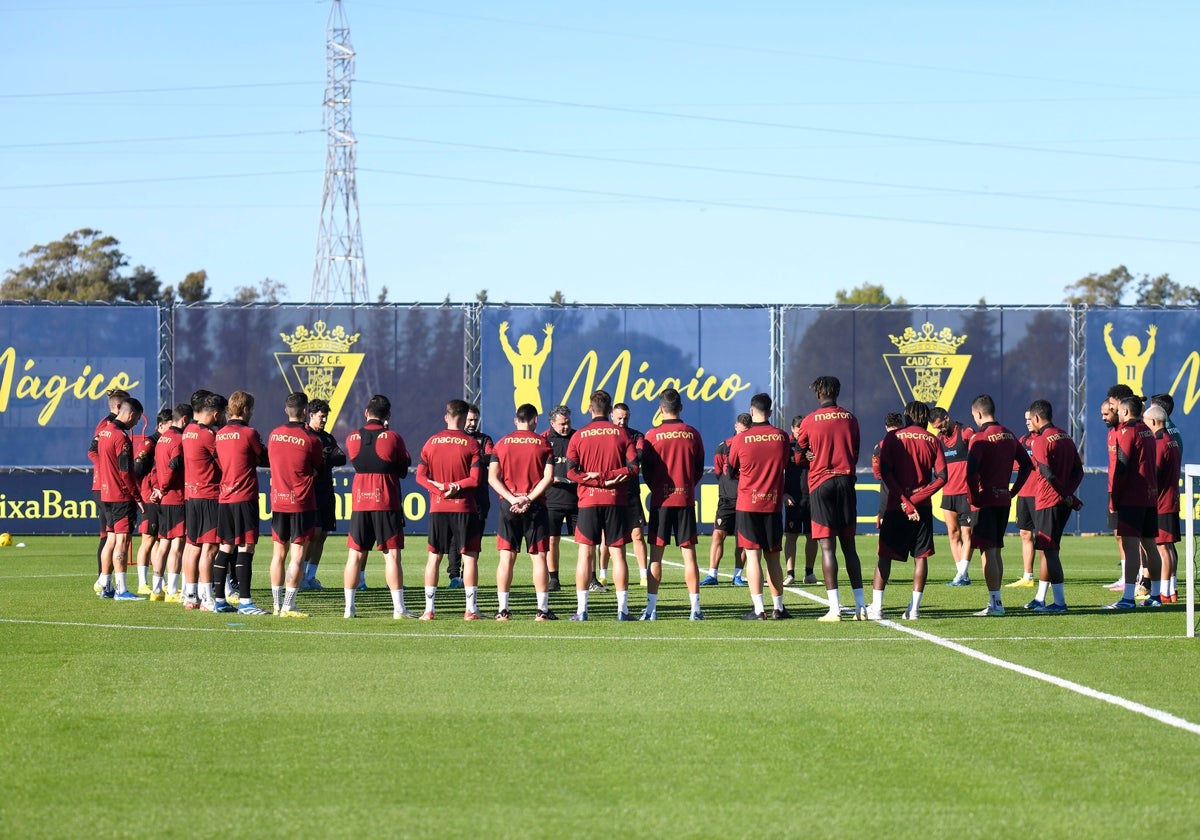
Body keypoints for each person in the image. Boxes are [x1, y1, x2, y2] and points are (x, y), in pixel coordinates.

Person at [867, 401, 946, 620]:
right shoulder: (933, 440)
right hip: (923, 509)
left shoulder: (893, 438)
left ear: (907, 416)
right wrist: (916, 499)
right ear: (926, 418)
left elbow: (886, 473)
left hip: (896, 506)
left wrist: (905, 501)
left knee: (884, 555)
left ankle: (877, 608)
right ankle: (915, 609)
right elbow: (942, 477)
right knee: (921, 557)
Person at [795, 376, 865, 621]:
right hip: (846, 481)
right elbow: (855, 452)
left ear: (818, 394)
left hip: (821, 483)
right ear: (837, 392)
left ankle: (834, 609)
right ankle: (861, 607)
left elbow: (797, 455)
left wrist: (809, 455)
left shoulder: (809, 420)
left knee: (827, 547)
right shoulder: (851, 418)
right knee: (850, 548)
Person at [565, 389, 638, 621]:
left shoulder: (579, 436)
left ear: (589, 409)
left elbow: (569, 471)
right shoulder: (622, 434)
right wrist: (609, 476)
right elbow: (634, 468)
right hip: (615, 499)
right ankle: (622, 610)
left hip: (588, 500)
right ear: (609, 411)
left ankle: (582, 610)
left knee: (585, 554)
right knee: (618, 555)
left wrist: (594, 478)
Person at [342, 395, 412, 619]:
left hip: (361, 500)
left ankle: (349, 608)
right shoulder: (392, 437)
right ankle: (399, 609)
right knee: (391, 556)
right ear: (387, 416)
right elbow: (403, 466)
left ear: (366, 413)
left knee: (354, 555)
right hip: (386, 500)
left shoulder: (352, 438)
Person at [639, 388, 706, 620]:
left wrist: (657, 487)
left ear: (660, 409)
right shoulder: (692, 433)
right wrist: (686, 485)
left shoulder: (651, 435)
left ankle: (651, 609)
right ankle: (695, 609)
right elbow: (699, 468)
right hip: (685, 499)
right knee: (690, 556)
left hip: (661, 500)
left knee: (655, 556)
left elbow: (645, 470)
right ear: (681, 408)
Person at [416, 399, 485, 620]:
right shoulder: (472, 444)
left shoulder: (431, 442)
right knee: (470, 557)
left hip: (438, 507)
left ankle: (429, 610)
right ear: (465, 418)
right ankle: (470, 610)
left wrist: (438, 489)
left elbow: (420, 476)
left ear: (446, 416)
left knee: (434, 557)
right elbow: (475, 480)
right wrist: (454, 487)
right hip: (464, 508)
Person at [965, 393, 1032, 617]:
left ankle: (995, 603)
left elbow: (971, 472)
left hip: (986, 501)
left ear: (979, 414)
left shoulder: (980, 437)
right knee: (996, 550)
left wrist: (974, 498)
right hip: (1003, 499)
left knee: (988, 552)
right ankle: (996, 600)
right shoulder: (1009, 435)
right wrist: (1013, 490)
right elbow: (1027, 465)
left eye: (974, 415)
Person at [727, 392, 792, 620]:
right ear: (771, 412)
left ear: (751, 411)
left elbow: (730, 469)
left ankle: (759, 609)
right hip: (772, 505)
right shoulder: (782, 437)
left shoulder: (740, 439)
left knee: (752, 556)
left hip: (747, 503)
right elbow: (785, 463)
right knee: (773, 556)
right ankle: (778, 608)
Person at [488, 403, 556, 620]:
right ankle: (542, 611)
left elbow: (492, 477)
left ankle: (503, 610)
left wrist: (512, 499)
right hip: (534, 505)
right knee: (539, 557)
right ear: (535, 420)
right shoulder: (544, 444)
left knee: (507, 558)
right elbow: (548, 478)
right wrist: (528, 498)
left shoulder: (502, 443)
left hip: (509, 506)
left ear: (516, 420)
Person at [266, 392, 324, 618]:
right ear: (305, 413)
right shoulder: (311, 439)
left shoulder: (273, 435)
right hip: (301, 503)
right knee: (298, 555)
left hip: (279, 501)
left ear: (286, 411)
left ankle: (276, 604)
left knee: (278, 554)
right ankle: (289, 605)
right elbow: (317, 466)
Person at [1022, 399, 1083, 614]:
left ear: (1037, 418)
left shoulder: (1040, 440)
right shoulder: (1065, 436)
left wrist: (1066, 495)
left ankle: (1059, 602)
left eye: (1031, 419)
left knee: (1050, 551)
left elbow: (1047, 473)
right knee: (1048, 550)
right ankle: (1041, 598)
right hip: (1061, 501)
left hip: (1048, 501)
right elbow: (1079, 470)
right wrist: (1069, 495)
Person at [1104, 395, 1161, 609]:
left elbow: (1123, 465)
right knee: (1150, 545)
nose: (1117, 413)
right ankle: (1156, 595)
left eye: (1118, 410)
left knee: (1131, 547)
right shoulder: (1147, 431)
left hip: (1132, 497)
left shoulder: (1129, 431)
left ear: (1126, 412)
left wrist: (1114, 498)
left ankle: (1128, 598)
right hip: (1149, 496)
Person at [215, 390, 267, 614]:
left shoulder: (220, 434)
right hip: (244, 496)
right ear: (245, 410)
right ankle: (245, 601)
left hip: (225, 496)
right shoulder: (249, 433)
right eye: (251, 409)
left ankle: (219, 600)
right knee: (246, 547)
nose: (252, 413)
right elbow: (264, 458)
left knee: (225, 547)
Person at [92, 396, 146, 601]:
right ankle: (122, 589)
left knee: (111, 539)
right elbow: (126, 472)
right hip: (120, 495)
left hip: (105, 493)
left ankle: (105, 584)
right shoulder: (121, 438)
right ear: (131, 414)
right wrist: (136, 496)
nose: (136, 424)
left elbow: (93, 454)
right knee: (122, 541)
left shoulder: (104, 432)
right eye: (137, 419)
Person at [181, 392, 227, 610]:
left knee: (192, 546)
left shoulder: (188, 431)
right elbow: (224, 461)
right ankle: (207, 597)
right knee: (209, 548)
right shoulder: (209, 435)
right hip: (209, 495)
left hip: (191, 495)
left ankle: (190, 595)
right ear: (216, 414)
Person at [300, 398, 347, 592]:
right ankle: (300, 576)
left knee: (323, 534)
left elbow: (341, 457)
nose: (324, 420)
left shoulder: (327, 438)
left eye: (326, 417)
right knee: (313, 534)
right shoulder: (304, 436)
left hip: (327, 491)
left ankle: (311, 576)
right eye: (321, 417)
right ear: (311, 415)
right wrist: (324, 458)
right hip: (311, 492)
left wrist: (325, 457)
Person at [447, 403, 494, 589]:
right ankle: (453, 575)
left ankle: (468, 574)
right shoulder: (455, 438)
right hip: (458, 496)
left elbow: (492, 456)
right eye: (469, 419)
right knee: (454, 538)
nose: (472, 423)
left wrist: (472, 457)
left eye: (475, 420)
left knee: (474, 539)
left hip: (479, 498)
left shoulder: (484, 439)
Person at [929, 407, 975, 586]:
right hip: (948, 493)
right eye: (936, 428)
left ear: (947, 418)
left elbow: (978, 457)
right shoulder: (939, 441)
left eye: (940, 426)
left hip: (966, 493)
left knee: (967, 533)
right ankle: (962, 575)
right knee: (953, 534)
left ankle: (961, 574)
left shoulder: (966, 433)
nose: (939, 430)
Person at [90, 387, 130, 593]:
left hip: (107, 485)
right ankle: (103, 581)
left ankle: (105, 582)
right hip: (106, 486)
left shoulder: (115, 426)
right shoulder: (107, 426)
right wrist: (107, 471)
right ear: (118, 407)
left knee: (109, 535)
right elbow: (92, 451)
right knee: (110, 536)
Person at [702, 414, 749, 587]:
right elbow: (718, 472)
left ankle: (737, 575)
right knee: (718, 535)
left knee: (742, 539)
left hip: (746, 499)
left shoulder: (751, 445)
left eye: (746, 431)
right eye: (741, 430)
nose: (743, 433)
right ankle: (712, 574)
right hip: (727, 500)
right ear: (736, 426)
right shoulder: (723, 447)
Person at [152, 403, 191, 603]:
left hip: (163, 499)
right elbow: (173, 466)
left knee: (162, 544)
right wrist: (164, 488)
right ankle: (173, 590)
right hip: (175, 497)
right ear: (184, 419)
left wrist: (157, 489)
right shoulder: (178, 439)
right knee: (178, 546)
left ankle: (157, 589)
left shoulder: (162, 439)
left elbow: (158, 468)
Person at [1145, 403, 1182, 603]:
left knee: (1162, 548)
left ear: (1153, 421)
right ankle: (1171, 590)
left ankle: (1165, 592)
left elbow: (1155, 472)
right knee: (1168, 547)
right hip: (1171, 499)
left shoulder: (1160, 442)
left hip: (1161, 501)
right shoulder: (1172, 440)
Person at [131, 408, 170, 597]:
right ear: (160, 426)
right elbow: (137, 469)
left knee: (157, 539)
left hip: (160, 496)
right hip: (149, 497)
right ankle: (142, 583)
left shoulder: (164, 442)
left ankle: (159, 581)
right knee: (147, 540)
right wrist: (146, 489)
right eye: (170, 426)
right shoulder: (150, 443)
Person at [611, 403, 649, 588]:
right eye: (619, 418)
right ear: (612, 416)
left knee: (637, 535)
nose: (622, 421)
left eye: (625, 418)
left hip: (632, 493)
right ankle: (602, 574)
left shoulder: (637, 435)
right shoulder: (607, 434)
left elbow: (639, 455)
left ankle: (644, 575)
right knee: (608, 537)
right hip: (610, 492)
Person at [542, 405, 577, 593]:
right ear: (552, 423)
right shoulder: (544, 441)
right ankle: (554, 579)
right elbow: (537, 468)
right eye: (562, 424)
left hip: (577, 498)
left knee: (586, 542)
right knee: (552, 540)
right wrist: (548, 478)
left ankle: (591, 577)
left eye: (568, 423)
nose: (566, 427)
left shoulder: (577, 437)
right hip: (552, 499)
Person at [783, 414, 818, 586]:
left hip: (812, 496)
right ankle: (790, 574)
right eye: (798, 429)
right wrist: (783, 493)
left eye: (803, 429)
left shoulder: (813, 445)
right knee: (791, 536)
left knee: (812, 536)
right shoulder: (786, 446)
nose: (801, 432)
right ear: (792, 429)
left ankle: (809, 573)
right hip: (793, 497)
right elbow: (777, 471)